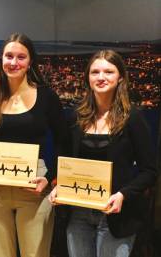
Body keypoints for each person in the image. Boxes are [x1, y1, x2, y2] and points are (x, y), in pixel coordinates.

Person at [49, 50, 158, 257]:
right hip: (78, 213)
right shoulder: (75, 117)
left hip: (117, 216)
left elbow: (149, 171)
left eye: (108, 72)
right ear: (87, 78)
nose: (101, 77)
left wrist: (123, 195)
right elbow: (64, 160)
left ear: (120, 78)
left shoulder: (133, 118)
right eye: (95, 72)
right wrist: (58, 186)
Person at [0, 33, 69, 257]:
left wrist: (51, 177)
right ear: (1, 60)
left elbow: (64, 142)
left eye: (21, 57)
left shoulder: (47, 97)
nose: (13, 62)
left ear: (30, 62)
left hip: (34, 185)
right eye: (9, 56)